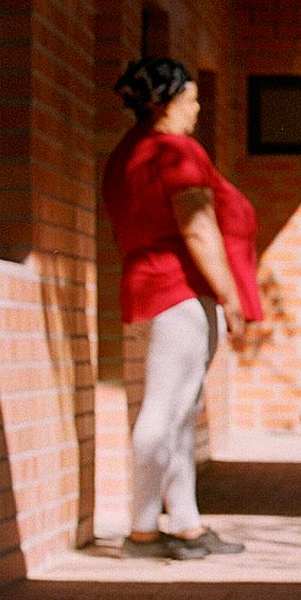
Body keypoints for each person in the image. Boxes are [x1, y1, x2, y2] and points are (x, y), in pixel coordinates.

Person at [101, 56, 262, 561]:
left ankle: (186, 524)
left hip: (154, 288)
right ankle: (144, 530)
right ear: (167, 102)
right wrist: (231, 294)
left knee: (182, 409)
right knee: (165, 409)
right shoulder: (173, 152)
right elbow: (198, 227)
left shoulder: (130, 152)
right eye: (191, 99)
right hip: (180, 290)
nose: (196, 109)